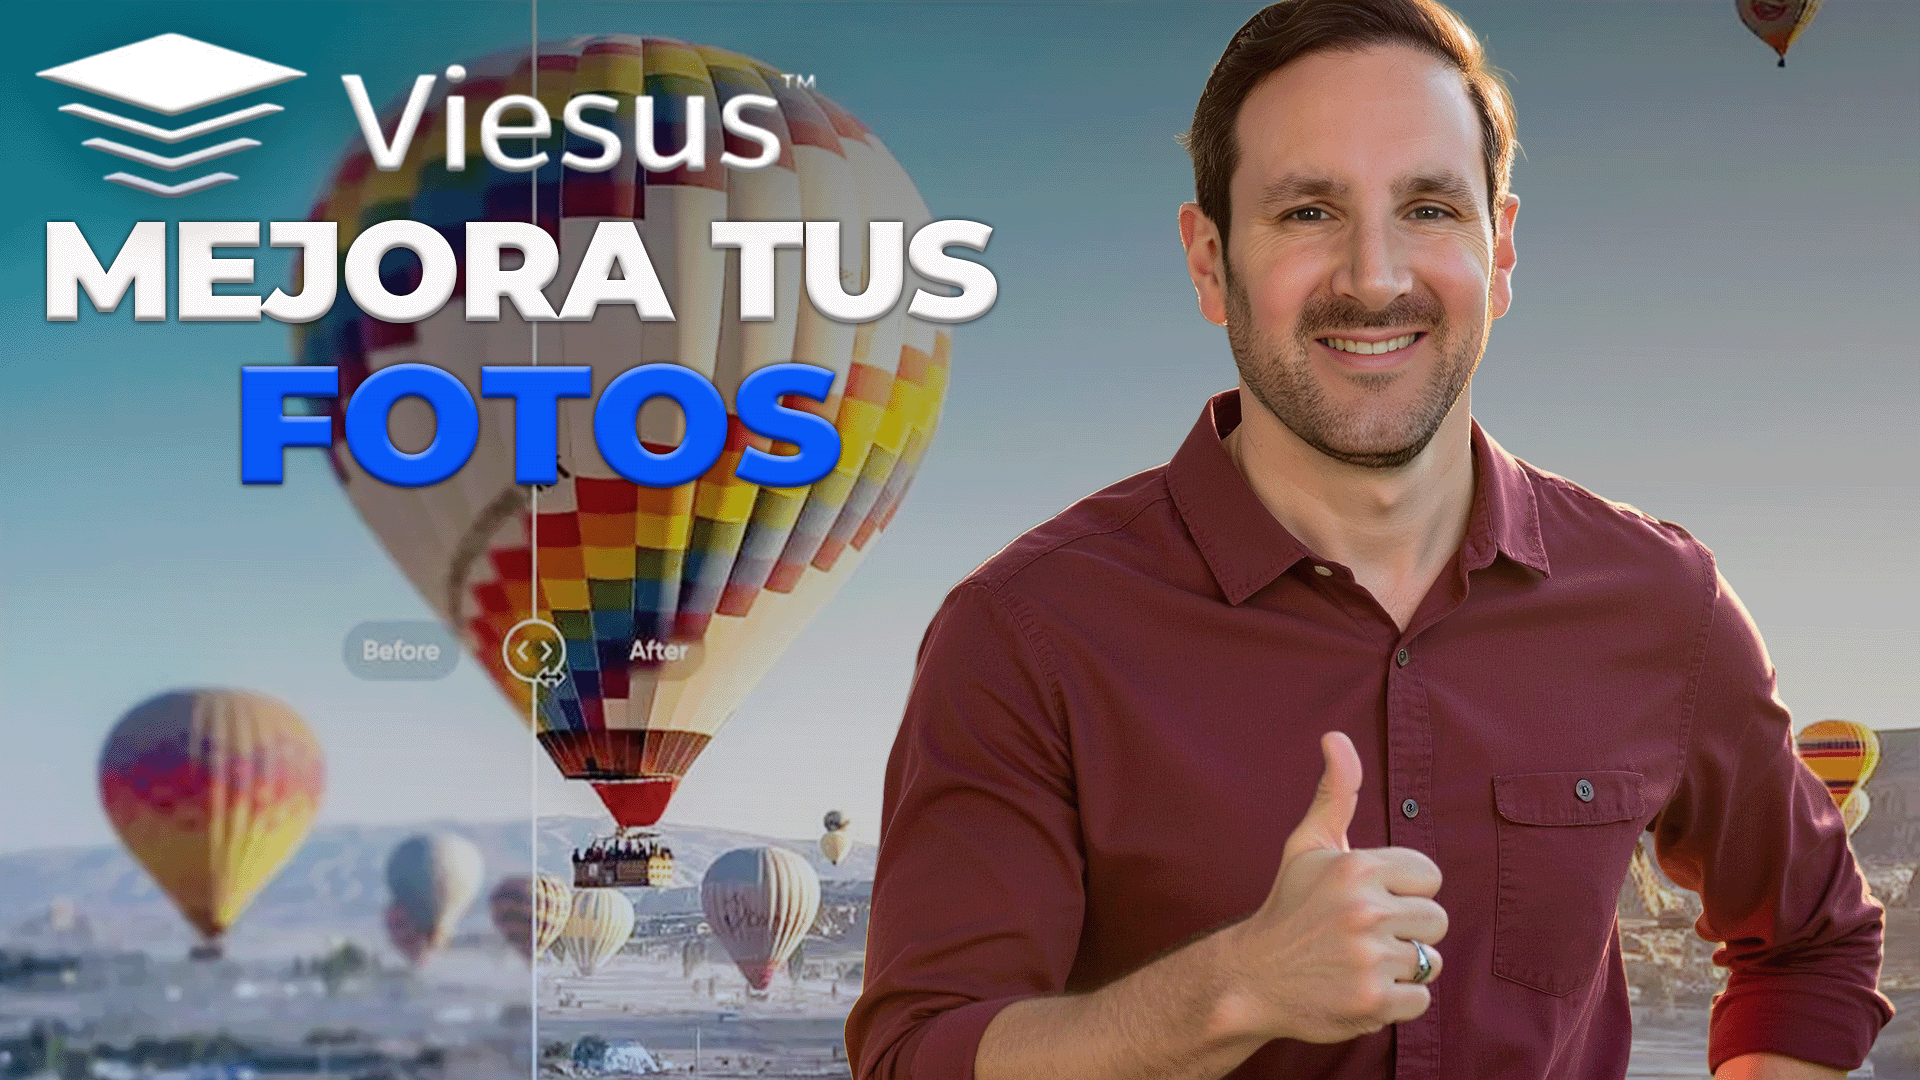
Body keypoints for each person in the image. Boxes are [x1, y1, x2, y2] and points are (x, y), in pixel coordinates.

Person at [843, 2, 1892, 1078]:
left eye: (1431, 207)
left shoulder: (1660, 600)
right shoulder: (1027, 635)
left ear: (1504, 250)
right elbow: (921, 1055)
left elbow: (1811, 946)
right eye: (1307, 213)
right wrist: (1232, 989)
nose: (1376, 277)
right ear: (1209, 263)